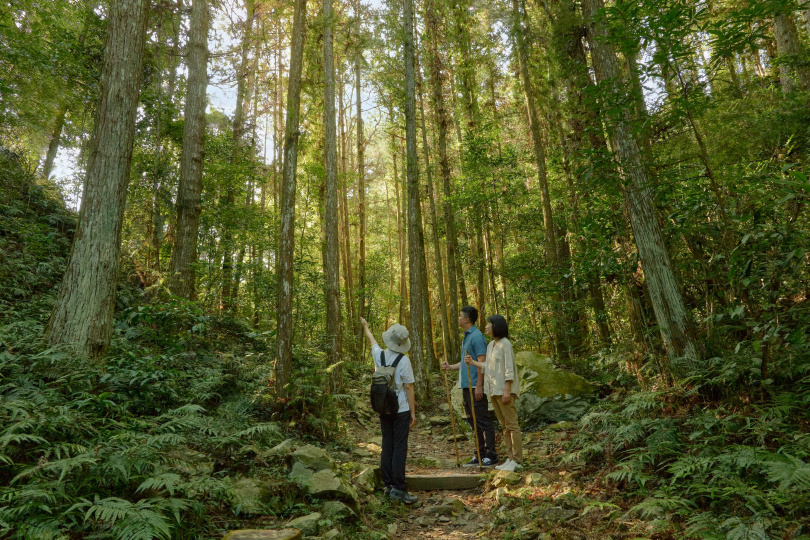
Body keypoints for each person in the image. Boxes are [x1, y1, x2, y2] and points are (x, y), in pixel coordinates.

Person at [360, 317, 418, 504]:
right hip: (399, 408)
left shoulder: (379, 355)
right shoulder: (404, 360)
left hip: (383, 407)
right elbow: (409, 387)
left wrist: (366, 326)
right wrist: (412, 412)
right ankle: (399, 488)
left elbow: (372, 341)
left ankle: (388, 485)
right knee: (400, 446)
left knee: (387, 444)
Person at [441, 306, 498, 467]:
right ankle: (479, 454)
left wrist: (479, 385)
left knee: (482, 420)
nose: (458, 318)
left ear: (466, 319)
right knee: (473, 421)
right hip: (467, 385)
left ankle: (491, 456)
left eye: (460, 316)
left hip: (475, 386)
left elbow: (482, 363)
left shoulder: (477, 337)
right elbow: (467, 361)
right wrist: (450, 367)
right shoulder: (466, 337)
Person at [465, 314, 523, 472]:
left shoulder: (506, 344)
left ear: (496, 325)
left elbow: (509, 369)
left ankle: (517, 460)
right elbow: (487, 367)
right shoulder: (491, 345)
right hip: (493, 390)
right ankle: (510, 457)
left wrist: (507, 390)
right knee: (504, 426)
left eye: (489, 323)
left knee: (512, 425)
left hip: (504, 391)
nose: (486, 326)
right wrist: (472, 362)